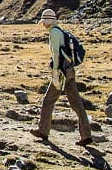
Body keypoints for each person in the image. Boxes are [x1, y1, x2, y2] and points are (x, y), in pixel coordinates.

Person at [30, 9, 93, 146]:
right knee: (76, 103)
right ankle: (86, 135)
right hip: (69, 70)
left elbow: (56, 54)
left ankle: (43, 131)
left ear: (46, 22)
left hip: (61, 72)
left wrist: (55, 73)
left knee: (48, 100)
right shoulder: (60, 31)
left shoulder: (53, 33)